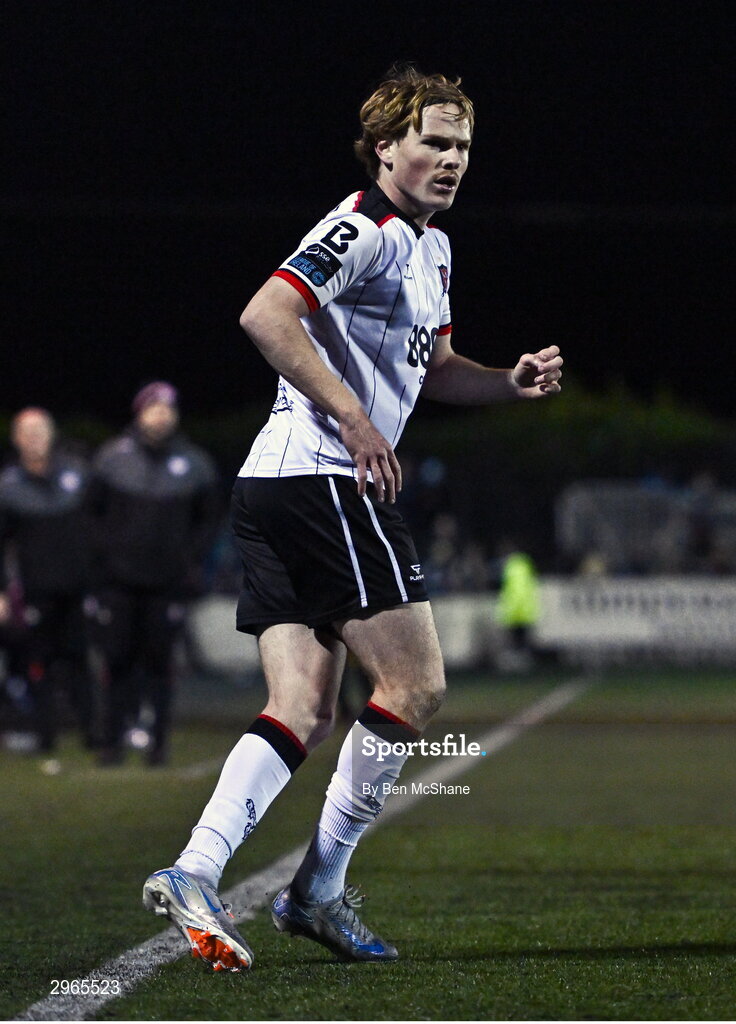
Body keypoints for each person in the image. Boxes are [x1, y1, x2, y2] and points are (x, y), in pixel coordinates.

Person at [143, 66, 563, 971]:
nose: (451, 161)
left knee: (300, 705)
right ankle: (318, 892)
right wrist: (352, 414)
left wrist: (505, 382)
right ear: (385, 148)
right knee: (414, 690)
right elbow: (267, 313)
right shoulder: (362, 227)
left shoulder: (433, 248)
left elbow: (436, 368)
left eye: (461, 147)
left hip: (277, 484)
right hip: (321, 481)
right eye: (433, 143)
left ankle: (195, 868)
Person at [88, 382, 219, 765]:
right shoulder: (112, 458)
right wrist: (106, 558)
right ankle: (110, 743)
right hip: (119, 582)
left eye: (168, 408)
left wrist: (189, 559)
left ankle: (158, 745)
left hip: (168, 584)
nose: (161, 415)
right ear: (139, 412)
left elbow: (209, 519)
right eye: (154, 407)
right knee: (117, 661)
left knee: (161, 665)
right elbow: (90, 515)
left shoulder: (194, 463)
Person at [0, 408, 94, 753]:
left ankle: (92, 732)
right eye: (28, 431)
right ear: (16, 438)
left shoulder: (78, 474)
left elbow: (99, 525)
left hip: (79, 587)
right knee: (38, 664)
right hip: (35, 590)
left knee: (80, 659)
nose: (35, 437)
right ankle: (45, 736)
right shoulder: (8, 486)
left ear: (52, 434)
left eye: (41, 430)